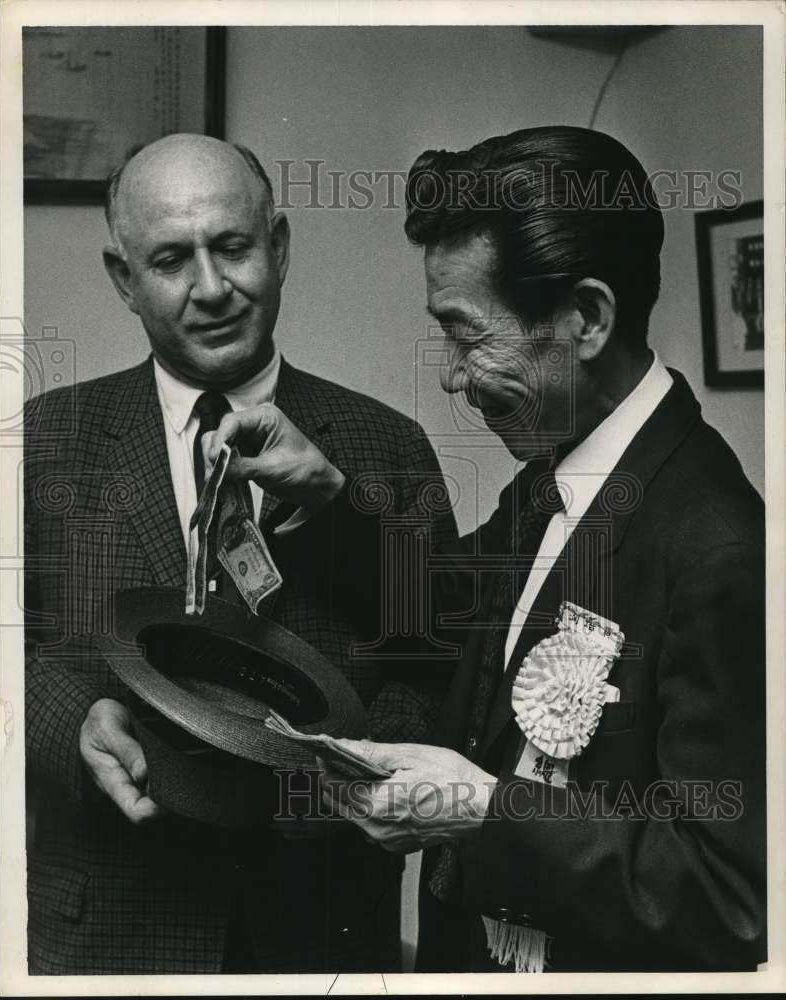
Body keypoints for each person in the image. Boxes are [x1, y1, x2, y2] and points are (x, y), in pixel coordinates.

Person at [210, 126, 767, 972]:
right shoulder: (558, 471)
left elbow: (732, 900)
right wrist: (324, 491)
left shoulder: (720, 547)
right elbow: (445, 611)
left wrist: (481, 809)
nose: (450, 376)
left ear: (585, 317)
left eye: (469, 337)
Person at [23, 133, 457, 974]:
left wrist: (341, 778)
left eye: (233, 247)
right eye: (171, 259)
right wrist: (71, 726)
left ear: (280, 247)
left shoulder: (386, 443)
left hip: (320, 928)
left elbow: (438, 661)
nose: (212, 288)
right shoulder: (44, 441)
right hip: (110, 934)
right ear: (124, 279)